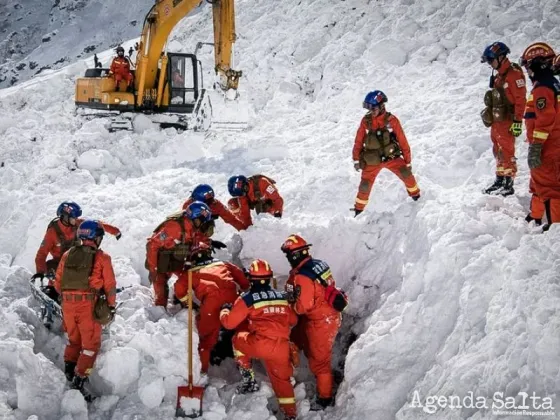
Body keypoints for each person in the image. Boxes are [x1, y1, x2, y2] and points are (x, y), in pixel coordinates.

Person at [220, 259, 298, 420]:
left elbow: (229, 323)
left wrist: (225, 310)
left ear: (250, 278)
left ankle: (249, 378)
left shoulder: (248, 298)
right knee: (282, 381)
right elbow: (293, 321)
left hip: (260, 344)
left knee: (237, 339)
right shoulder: (282, 297)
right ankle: (290, 414)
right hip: (281, 347)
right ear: (269, 278)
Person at [281, 234, 347, 411]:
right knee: (302, 338)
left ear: (294, 256)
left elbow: (303, 307)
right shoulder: (319, 264)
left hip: (322, 322)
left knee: (320, 363)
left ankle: (324, 399)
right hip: (328, 315)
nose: (287, 260)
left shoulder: (303, 277)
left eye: (288, 256)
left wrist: (291, 303)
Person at [54, 220, 117, 398]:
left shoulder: (68, 254)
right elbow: (110, 285)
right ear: (96, 238)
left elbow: (58, 283)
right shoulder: (102, 257)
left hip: (67, 305)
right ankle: (79, 381)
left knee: (74, 341)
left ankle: (69, 372)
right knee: (90, 345)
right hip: (87, 305)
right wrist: (110, 306)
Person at [174, 242, 250, 373]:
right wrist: (244, 289)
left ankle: (202, 372)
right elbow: (242, 278)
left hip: (211, 304)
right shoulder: (223, 264)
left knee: (206, 340)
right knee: (242, 331)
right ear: (209, 252)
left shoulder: (191, 272)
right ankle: (245, 367)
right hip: (233, 300)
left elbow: (179, 289)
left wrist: (188, 303)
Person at [352, 90, 420, 216]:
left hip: (391, 157)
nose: (371, 111)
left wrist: (408, 161)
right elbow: (358, 141)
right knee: (364, 186)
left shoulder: (392, 120)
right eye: (369, 108)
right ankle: (358, 210)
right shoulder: (366, 121)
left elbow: (402, 140)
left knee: (407, 176)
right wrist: (356, 159)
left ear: (382, 106)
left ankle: (417, 197)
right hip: (372, 160)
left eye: (373, 108)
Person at [33, 202, 121, 299]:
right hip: (59, 264)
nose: (76, 220)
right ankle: (53, 291)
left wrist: (115, 231)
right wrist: (40, 272)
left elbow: (96, 225)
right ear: (65, 217)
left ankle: (95, 289)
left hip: (77, 260)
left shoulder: (77, 224)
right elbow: (41, 255)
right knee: (56, 272)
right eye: (73, 218)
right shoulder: (52, 232)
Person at [519, 42, 560, 231]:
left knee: (550, 188)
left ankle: (554, 231)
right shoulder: (550, 84)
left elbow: (545, 120)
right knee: (538, 182)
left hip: (548, 147)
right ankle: (535, 215)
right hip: (548, 145)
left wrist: (536, 146)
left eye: (528, 66)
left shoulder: (543, 88)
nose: (527, 71)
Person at [480, 41, 527, 196]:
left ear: (500, 57)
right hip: (497, 121)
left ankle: (508, 182)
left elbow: (521, 100)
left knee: (507, 150)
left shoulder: (513, 74)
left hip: (508, 120)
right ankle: (500, 179)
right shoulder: (500, 74)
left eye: (491, 60)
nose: (490, 64)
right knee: (498, 149)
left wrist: (518, 121)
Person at [145, 202, 213, 307]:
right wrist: (153, 269)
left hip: (176, 257)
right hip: (160, 260)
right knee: (161, 297)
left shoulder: (193, 227)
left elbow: (197, 239)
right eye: (202, 221)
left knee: (190, 278)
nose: (203, 225)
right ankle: (160, 314)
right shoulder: (174, 227)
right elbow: (152, 244)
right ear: (195, 218)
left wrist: (209, 245)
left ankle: (182, 299)